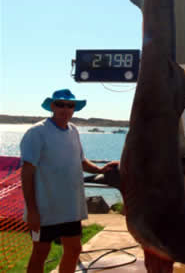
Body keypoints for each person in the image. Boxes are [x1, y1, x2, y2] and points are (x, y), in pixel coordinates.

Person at [20, 88, 119, 273]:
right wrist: (32, 210)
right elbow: (26, 173)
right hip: (44, 209)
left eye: (70, 105)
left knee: (74, 250)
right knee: (41, 252)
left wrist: (99, 169)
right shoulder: (37, 132)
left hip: (70, 208)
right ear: (52, 106)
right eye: (60, 104)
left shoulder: (73, 131)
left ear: (74, 108)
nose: (65, 109)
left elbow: (80, 160)